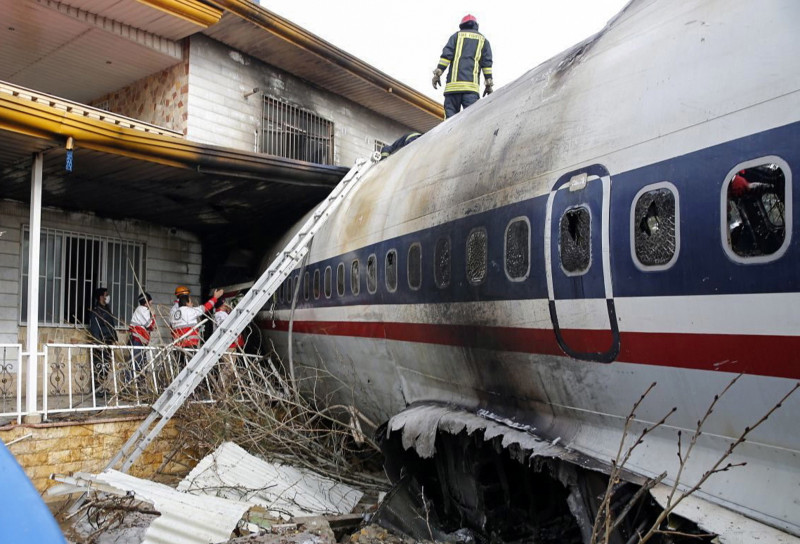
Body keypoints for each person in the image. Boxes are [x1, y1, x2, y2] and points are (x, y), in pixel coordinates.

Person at [432, 14, 493, 119]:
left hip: (452, 89)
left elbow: (446, 57)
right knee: (471, 122)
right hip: (471, 90)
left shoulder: (456, 36)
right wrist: (488, 85)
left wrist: (438, 74)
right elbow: (487, 65)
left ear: (462, 25)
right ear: (476, 25)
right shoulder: (484, 41)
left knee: (449, 124)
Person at [88, 286, 118, 397]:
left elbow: (111, 326)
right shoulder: (96, 311)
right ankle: (97, 389)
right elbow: (95, 328)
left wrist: (114, 338)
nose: (107, 297)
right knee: (99, 366)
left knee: (106, 366)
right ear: (101, 297)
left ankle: (102, 388)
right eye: (106, 295)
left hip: (108, 342)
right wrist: (98, 343)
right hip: (101, 342)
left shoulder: (107, 309)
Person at [128, 292, 155, 384]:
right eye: (150, 301)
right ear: (147, 302)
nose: (151, 302)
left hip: (137, 339)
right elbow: (150, 325)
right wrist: (153, 315)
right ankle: (133, 385)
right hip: (138, 339)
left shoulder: (139, 309)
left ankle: (136, 385)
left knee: (138, 362)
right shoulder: (144, 310)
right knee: (137, 363)